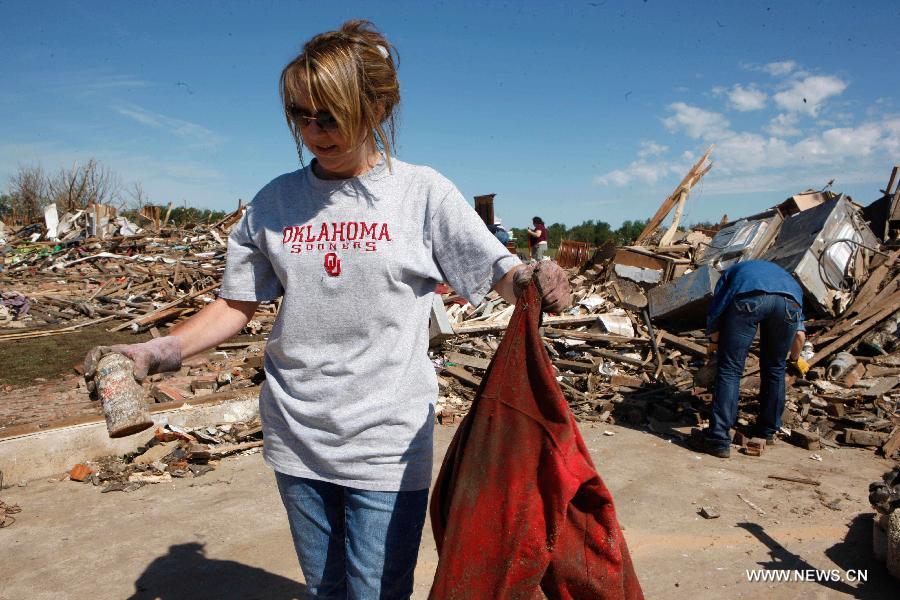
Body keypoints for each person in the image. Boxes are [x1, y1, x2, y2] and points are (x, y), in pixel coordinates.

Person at [84, 20, 571, 599]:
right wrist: (154, 350)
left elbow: (497, 274)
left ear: (376, 107)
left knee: (377, 592)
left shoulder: (421, 194)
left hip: (385, 437)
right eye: (300, 116)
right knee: (326, 590)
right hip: (296, 431)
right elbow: (235, 304)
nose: (314, 132)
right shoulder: (274, 202)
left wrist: (533, 280)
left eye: (330, 116)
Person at [692, 260, 808, 459]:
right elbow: (800, 336)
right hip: (788, 305)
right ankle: (767, 431)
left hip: (749, 297)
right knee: (775, 369)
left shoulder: (731, 273)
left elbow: (718, 309)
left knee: (730, 369)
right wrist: (796, 358)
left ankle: (719, 439)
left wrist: (713, 340)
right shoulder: (789, 282)